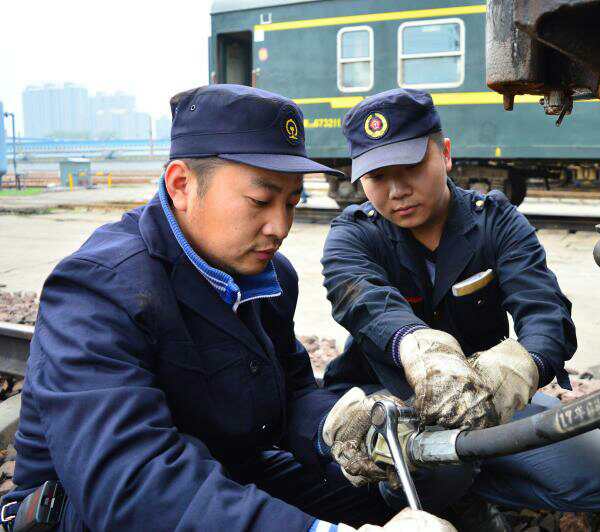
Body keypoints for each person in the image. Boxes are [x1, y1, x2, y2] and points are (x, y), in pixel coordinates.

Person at [0, 85, 455, 532]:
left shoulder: (270, 277)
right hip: (99, 507)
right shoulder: (99, 287)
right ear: (182, 185)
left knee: (395, 493)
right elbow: (131, 481)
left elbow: (292, 390)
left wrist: (333, 426)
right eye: (260, 200)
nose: (280, 226)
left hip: (228, 471)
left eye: (292, 202)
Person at [321, 88, 600, 530]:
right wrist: (419, 348)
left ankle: (467, 490)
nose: (396, 191)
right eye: (377, 177)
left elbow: (545, 312)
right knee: (441, 468)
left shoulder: (497, 221)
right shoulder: (353, 236)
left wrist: (517, 370)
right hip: (389, 402)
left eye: (410, 167)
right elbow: (361, 297)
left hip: (487, 400)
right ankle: (445, 498)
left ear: (445, 154)